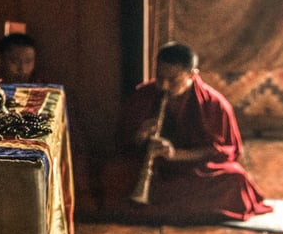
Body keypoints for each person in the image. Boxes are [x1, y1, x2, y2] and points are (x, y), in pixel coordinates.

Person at [97, 41, 273, 224]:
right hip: (153, 167)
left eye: (172, 80)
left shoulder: (214, 104)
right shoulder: (144, 95)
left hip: (191, 169)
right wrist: (140, 136)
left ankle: (160, 205)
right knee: (111, 173)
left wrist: (175, 154)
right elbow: (123, 142)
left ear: (192, 74)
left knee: (235, 179)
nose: (164, 86)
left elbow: (222, 151)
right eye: (159, 77)